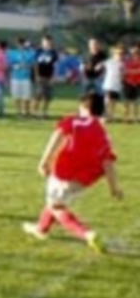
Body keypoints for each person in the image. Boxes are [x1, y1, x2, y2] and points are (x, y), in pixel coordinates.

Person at [22, 92, 121, 254]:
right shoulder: (103, 134)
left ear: (83, 107)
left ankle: (88, 234)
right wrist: (114, 188)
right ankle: (41, 228)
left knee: (57, 207)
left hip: (63, 172)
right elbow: (108, 163)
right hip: (83, 181)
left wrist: (44, 161)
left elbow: (56, 136)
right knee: (56, 201)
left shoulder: (73, 121)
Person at [7, 38, 35, 117]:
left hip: (26, 77)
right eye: (19, 44)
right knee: (16, 96)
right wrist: (15, 66)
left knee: (27, 96)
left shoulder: (29, 53)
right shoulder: (12, 53)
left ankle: (26, 111)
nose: (21, 46)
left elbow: (33, 64)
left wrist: (26, 65)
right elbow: (9, 64)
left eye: (22, 44)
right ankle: (18, 111)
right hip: (15, 77)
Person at [34, 35, 59, 118]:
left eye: (48, 42)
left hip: (49, 76)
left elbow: (55, 65)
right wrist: (36, 75)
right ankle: (35, 111)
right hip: (41, 75)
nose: (47, 43)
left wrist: (53, 77)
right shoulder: (39, 51)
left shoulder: (53, 52)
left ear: (51, 42)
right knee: (39, 94)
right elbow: (36, 64)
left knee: (47, 95)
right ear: (42, 42)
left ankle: (44, 112)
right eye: (45, 42)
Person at [102, 46, 124, 121]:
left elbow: (122, 74)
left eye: (121, 54)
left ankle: (111, 115)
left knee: (114, 101)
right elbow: (101, 65)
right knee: (107, 100)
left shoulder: (122, 64)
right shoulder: (109, 62)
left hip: (117, 85)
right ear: (114, 54)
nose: (120, 55)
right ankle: (105, 115)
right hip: (109, 84)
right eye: (118, 54)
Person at [122, 44, 140, 123]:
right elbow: (125, 70)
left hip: (138, 83)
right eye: (133, 50)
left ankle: (135, 117)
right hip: (128, 82)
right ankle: (127, 117)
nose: (134, 51)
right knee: (127, 100)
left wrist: (130, 71)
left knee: (136, 101)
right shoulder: (127, 59)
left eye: (136, 50)